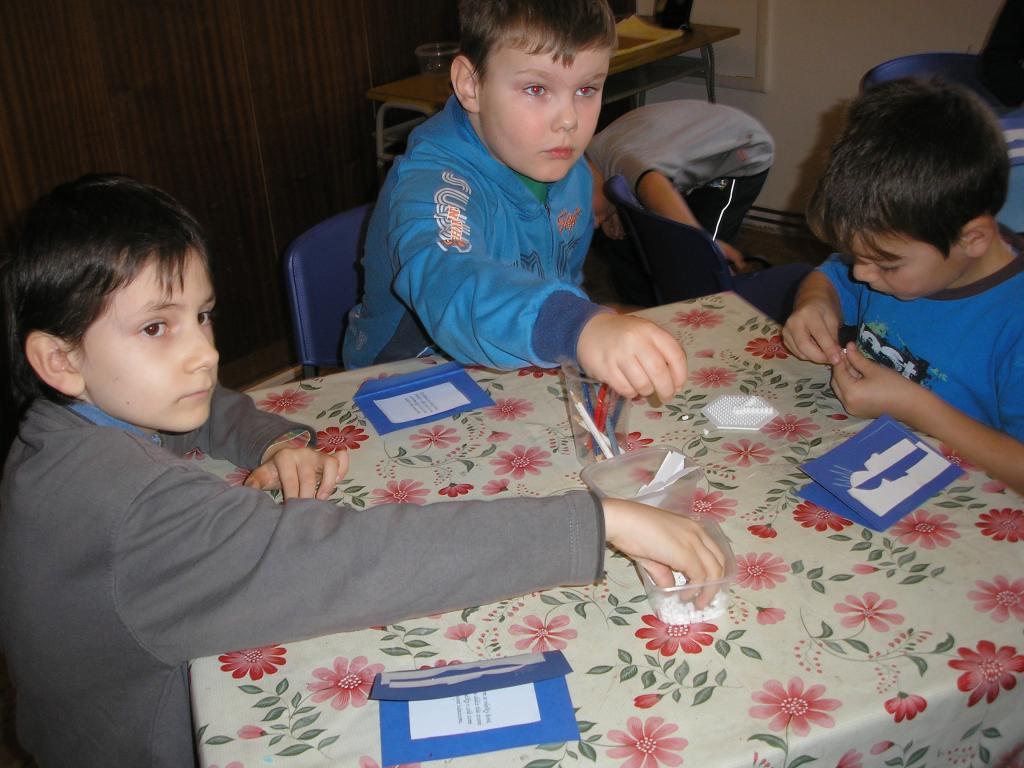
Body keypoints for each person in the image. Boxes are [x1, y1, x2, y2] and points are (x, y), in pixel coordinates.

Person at [0, 174, 725, 766]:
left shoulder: (62, 422)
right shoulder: (136, 514)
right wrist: (599, 521)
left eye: (203, 316)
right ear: (59, 359)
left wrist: (272, 442)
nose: (204, 354)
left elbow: (209, 405)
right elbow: (359, 557)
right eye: (157, 327)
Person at [343, 0, 688, 404]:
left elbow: (560, 282)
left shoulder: (571, 173)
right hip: (405, 381)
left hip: (516, 371)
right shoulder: (432, 183)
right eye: (536, 89)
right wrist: (575, 327)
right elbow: (451, 280)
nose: (569, 120)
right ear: (470, 85)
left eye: (586, 89)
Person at [781, 79, 1024, 495]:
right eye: (856, 256)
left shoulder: (1013, 322)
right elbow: (832, 276)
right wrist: (815, 302)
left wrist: (915, 407)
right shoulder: (895, 256)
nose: (862, 274)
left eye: (885, 264)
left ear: (972, 239)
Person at [587, 99, 775, 272]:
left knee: (703, 252)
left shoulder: (622, 159)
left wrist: (700, 240)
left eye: (589, 214)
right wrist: (612, 207)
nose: (594, 224)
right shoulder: (590, 153)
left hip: (739, 155)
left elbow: (651, 185)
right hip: (704, 141)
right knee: (666, 238)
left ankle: (722, 283)